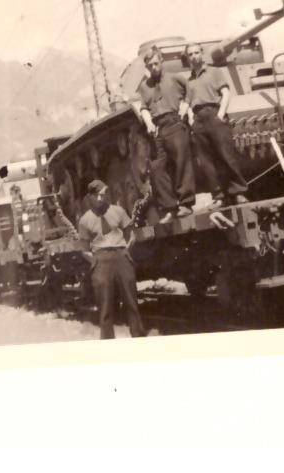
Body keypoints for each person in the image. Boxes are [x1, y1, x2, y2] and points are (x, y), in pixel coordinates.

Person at [181, 43, 249, 207]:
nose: (194, 56)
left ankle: (238, 192)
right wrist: (191, 119)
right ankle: (219, 196)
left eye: (196, 52)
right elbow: (187, 102)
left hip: (214, 114)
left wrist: (220, 114)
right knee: (207, 162)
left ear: (201, 53)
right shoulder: (189, 81)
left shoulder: (214, 72)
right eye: (190, 54)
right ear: (187, 58)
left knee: (227, 155)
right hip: (198, 119)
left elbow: (225, 93)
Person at [132, 47, 196, 223]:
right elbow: (143, 107)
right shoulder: (144, 86)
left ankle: (186, 204)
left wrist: (186, 105)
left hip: (175, 122)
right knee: (157, 168)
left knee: (182, 162)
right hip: (157, 128)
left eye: (156, 63)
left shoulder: (175, 78)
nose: (153, 67)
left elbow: (190, 89)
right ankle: (169, 207)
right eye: (150, 65)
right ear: (146, 67)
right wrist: (149, 123)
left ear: (161, 62)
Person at [76, 179, 146, 339]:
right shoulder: (85, 220)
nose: (101, 198)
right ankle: (108, 342)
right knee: (105, 307)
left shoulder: (118, 211)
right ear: (90, 197)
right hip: (101, 260)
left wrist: (125, 251)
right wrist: (95, 261)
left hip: (121, 256)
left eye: (104, 194)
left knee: (132, 302)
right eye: (97, 195)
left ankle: (138, 337)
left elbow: (131, 234)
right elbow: (84, 249)